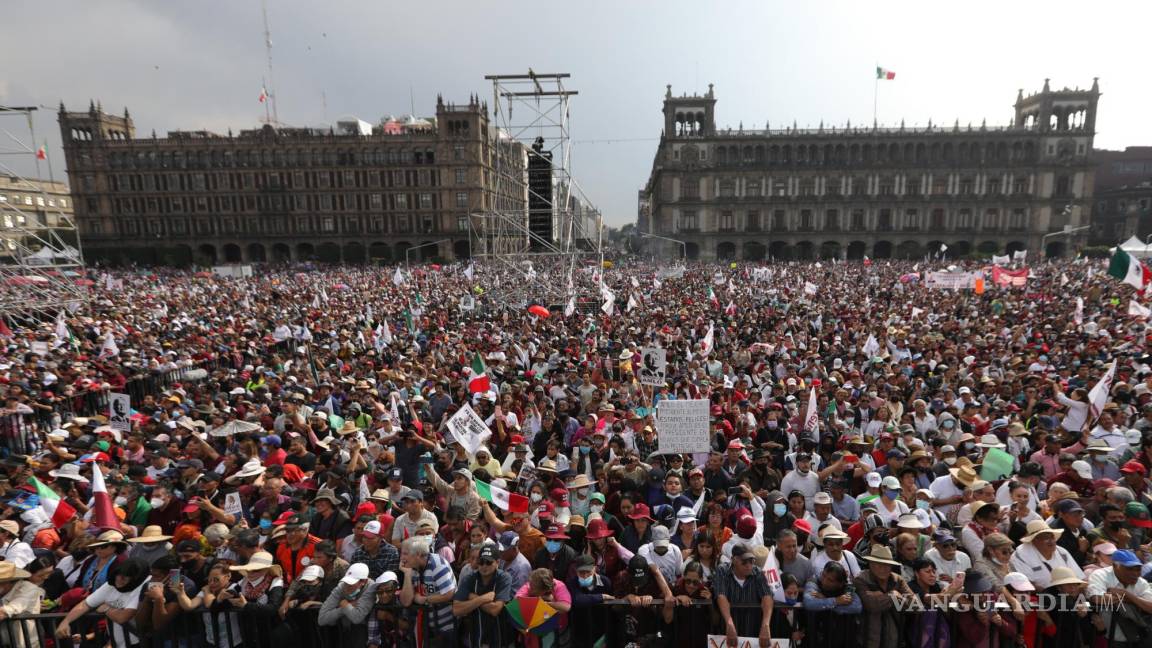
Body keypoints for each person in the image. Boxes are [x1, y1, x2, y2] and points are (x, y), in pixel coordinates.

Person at [56, 558, 150, 648]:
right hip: (114, 640)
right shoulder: (111, 583)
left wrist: (106, 608)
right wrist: (66, 622)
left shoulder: (143, 586)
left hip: (137, 641)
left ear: (135, 579)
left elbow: (123, 617)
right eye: (119, 575)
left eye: (125, 578)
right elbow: (85, 604)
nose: (120, 580)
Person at [399, 536, 457, 648]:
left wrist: (424, 599)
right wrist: (406, 574)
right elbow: (406, 602)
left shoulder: (437, 564)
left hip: (445, 627)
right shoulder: (412, 567)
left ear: (419, 554)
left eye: (405, 554)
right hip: (424, 626)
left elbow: (449, 594)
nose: (402, 558)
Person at [854, 544, 914, 648]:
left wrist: (892, 595)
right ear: (871, 564)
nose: (883, 568)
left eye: (887, 564)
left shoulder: (898, 579)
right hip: (869, 640)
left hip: (894, 639)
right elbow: (872, 605)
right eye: (879, 564)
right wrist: (893, 596)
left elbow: (915, 606)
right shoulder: (861, 579)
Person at [1087, 549, 1152, 647]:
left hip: (1138, 638)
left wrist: (1126, 594)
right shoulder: (1100, 575)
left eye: (1138, 569)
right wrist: (1138, 602)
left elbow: (1150, 607)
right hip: (1109, 638)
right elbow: (1097, 598)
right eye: (1129, 569)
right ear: (1115, 566)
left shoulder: (1141, 582)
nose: (1135, 573)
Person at [453, 544, 513, 648]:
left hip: (500, 637)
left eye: (488, 562)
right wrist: (481, 599)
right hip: (476, 636)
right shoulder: (470, 578)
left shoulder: (504, 578)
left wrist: (471, 597)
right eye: (481, 562)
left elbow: (495, 609)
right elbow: (456, 609)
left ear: (497, 562)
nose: (484, 566)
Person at [714, 544, 773, 647]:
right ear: (733, 559)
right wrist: (729, 624)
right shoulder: (722, 570)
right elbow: (721, 595)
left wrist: (765, 625)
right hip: (727, 632)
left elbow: (767, 596)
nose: (748, 565)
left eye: (751, 561)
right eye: (744, 561)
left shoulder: (757, 572)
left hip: (752, 631)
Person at [317, 562, 377, 646]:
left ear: (364, 581)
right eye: (346, 582)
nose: (347, 586)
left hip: (365, 633)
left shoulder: (371, 587)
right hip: (345, 630)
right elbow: (321, 619)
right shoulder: (341, 587)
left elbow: (357, 618)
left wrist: (345, 605)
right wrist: (343, 608)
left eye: (351, 584)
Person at [0, 561, 43, 648]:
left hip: (26, 644)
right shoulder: (4, 589)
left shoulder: (29, 589)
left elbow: (4, 612)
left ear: (6, 583)